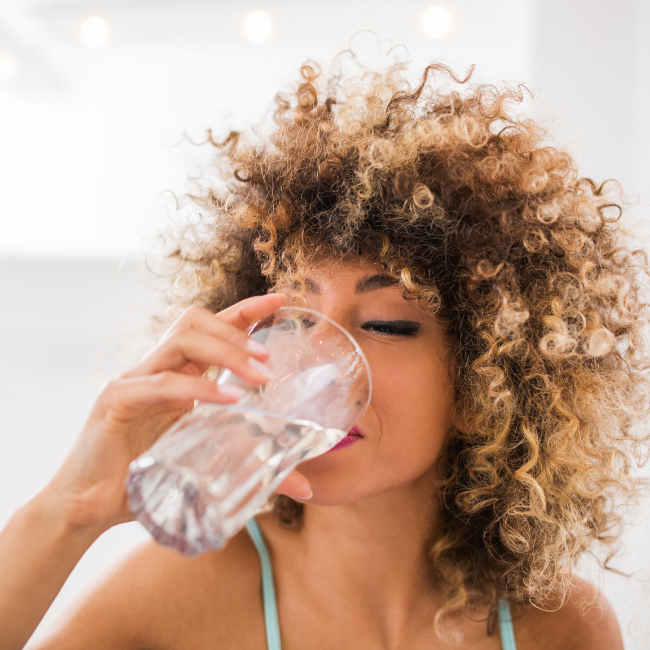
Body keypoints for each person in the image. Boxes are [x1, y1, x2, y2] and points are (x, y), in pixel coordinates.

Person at [2, 52, 647, 650]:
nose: (316, 360)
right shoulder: (181, 597)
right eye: (295, 315)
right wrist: (68, 512)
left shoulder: (562, 627)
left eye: (387, 326)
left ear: (485, 388)